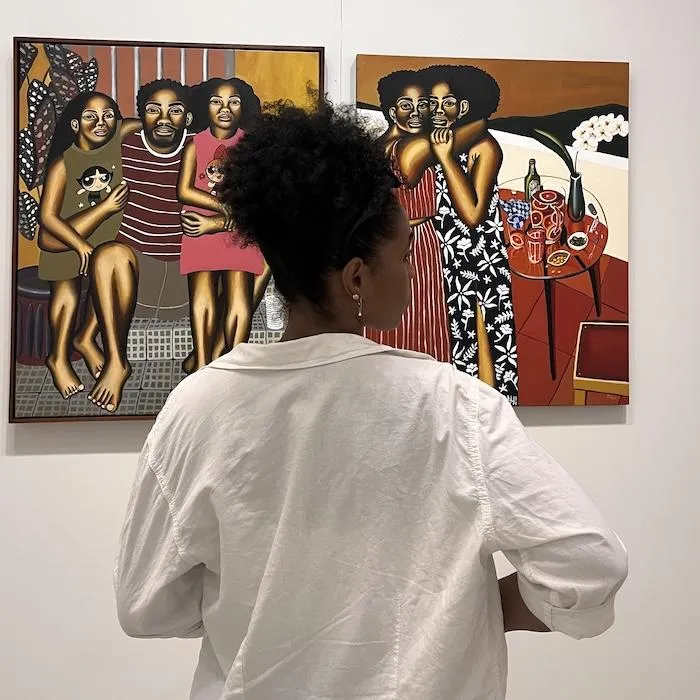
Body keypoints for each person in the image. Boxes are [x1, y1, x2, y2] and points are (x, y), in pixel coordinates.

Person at [114, 99, 628, 700]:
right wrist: (471, 609)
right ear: (356, 277)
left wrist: (267, 604)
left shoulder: (198, 407)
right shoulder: (454, 407)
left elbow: (145, 604)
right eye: (404, 256)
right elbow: (590, 566)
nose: (413, 272)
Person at [86, 79, 232, 413]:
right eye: (154, 110)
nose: (164, 118)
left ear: (188, 118)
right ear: (141, 116)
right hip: (139, 277)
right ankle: (117, 362)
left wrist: (215, 222)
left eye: (174, 110)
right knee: (108, 254)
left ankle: (211, 353)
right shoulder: (125, 144)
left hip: (188, 278)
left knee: (245, 256)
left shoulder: (202, 148)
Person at [420, 64, 519, 404]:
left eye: (447, 102)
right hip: (445, 254)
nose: (437, 111)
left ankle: (490, 409)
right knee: (455, 335)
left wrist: (446, 159)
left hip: (479, 256)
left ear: (464, 107)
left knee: (483, 333)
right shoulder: (440, 141)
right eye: (432, 103)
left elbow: (474, 214)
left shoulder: (484, 147)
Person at [37, 91, 137, 399]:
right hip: (66, 239)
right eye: (91, 117)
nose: (101, 122)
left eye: (108, 115)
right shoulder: (63, 164)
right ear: (75, 124)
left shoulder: (119, 138)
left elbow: (147, 123)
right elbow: (47, 218)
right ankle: (58, 357)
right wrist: (80, 243)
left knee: (103, 290)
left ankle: (85, 339)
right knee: (66, 295)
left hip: (103, 241)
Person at [177, 77, 266, 373]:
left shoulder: (250, 146)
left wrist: (216, 222)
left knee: (239, 297)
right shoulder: (195, 144)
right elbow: (184, 190)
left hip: (235, 229)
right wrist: (222, 206)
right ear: (206, 106)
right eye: (217, 101)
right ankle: (203, 365)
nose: (225, 108)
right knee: (202, 297)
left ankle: (234, 364)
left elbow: (254, 198)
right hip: (198, 227)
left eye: (233, 102)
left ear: (243, 107)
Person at [362, 69, 452, 361]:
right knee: (419, 315)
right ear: (392, 112)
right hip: (415, 241)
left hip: (387, 241)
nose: (416, 113)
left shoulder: (376, 147)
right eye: (406, 105)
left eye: (421, 105)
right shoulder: (409, 147)